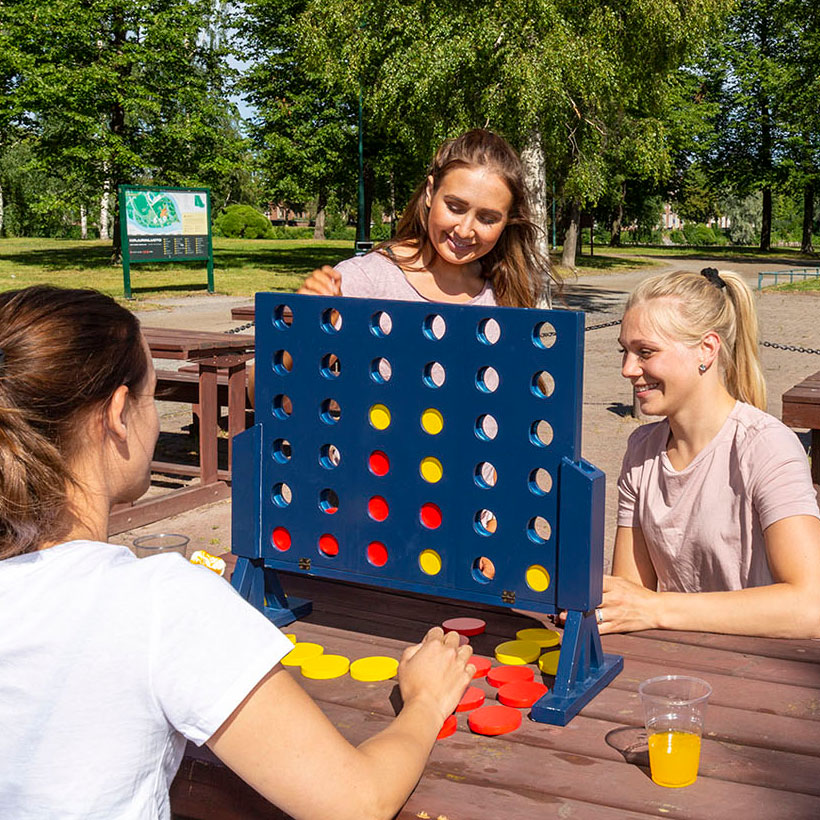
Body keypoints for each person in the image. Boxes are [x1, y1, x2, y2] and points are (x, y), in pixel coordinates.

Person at [0, 285, 475, 819]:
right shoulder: (159, 603)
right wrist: (427, 701)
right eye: (152, 397)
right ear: (117, 414)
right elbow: (355, 802)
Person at [597, 268, 820, 639]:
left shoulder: (766, 446)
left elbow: (811, 604)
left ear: (706, 349)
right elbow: (630, 596)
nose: (628, 369)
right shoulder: (641, 451)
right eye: (626, 351)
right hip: (674, 666)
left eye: (645, 352)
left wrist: (656, 608)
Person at [298, 128, 551, 308]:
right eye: (454, 207)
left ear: (508, 220)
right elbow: (262, 382)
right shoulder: (363, 280)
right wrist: (308, 322)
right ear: (431, 192)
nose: (464, 230)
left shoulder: (507, 292)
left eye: (487, 219)